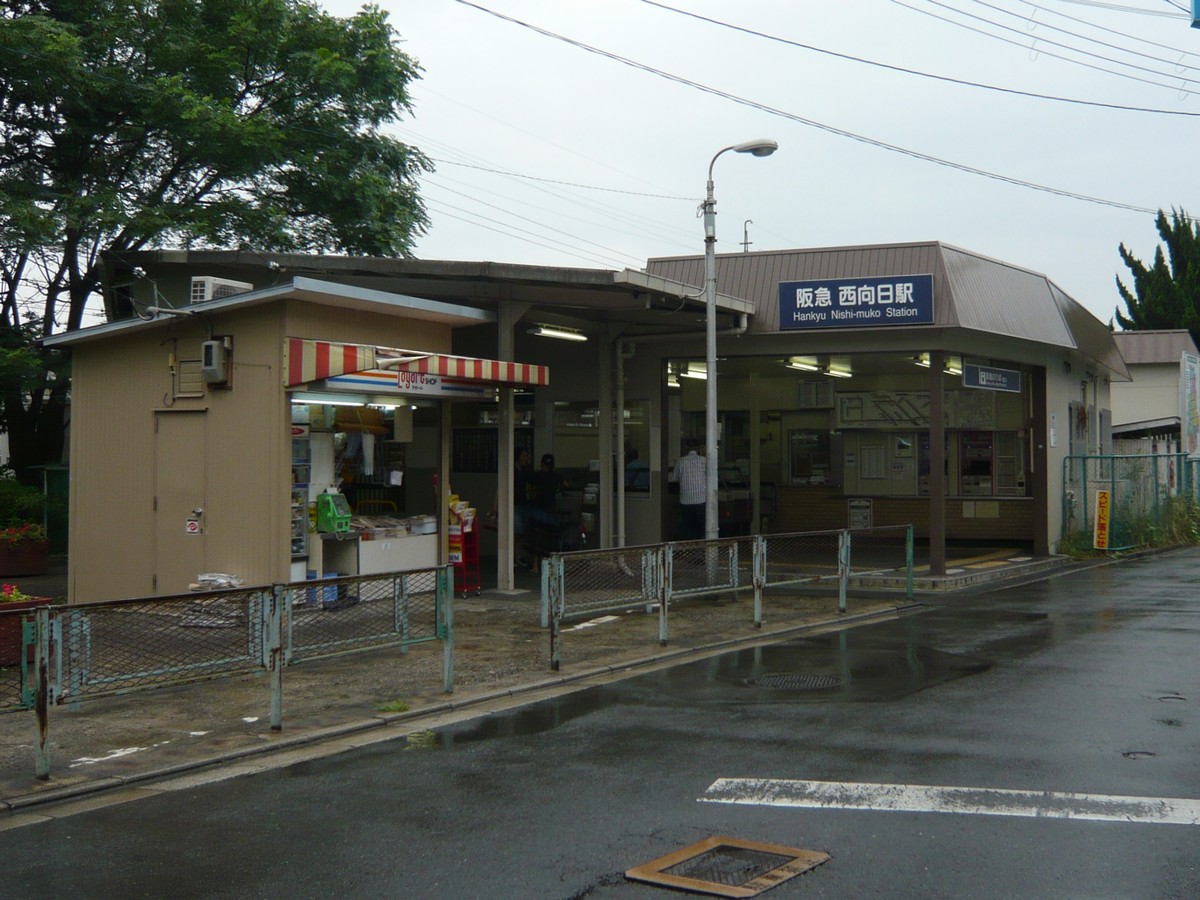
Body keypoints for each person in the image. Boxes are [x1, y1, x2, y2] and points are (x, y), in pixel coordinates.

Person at [669, 437, 706, 540]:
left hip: (685, 500)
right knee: (702, 527)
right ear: (698, 448)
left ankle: (689, 550)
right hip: (701, 499)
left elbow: (674, 479)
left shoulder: (680, 462)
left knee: (688, 528)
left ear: (686, 447)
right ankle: (702, 549)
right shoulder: (704, 461)